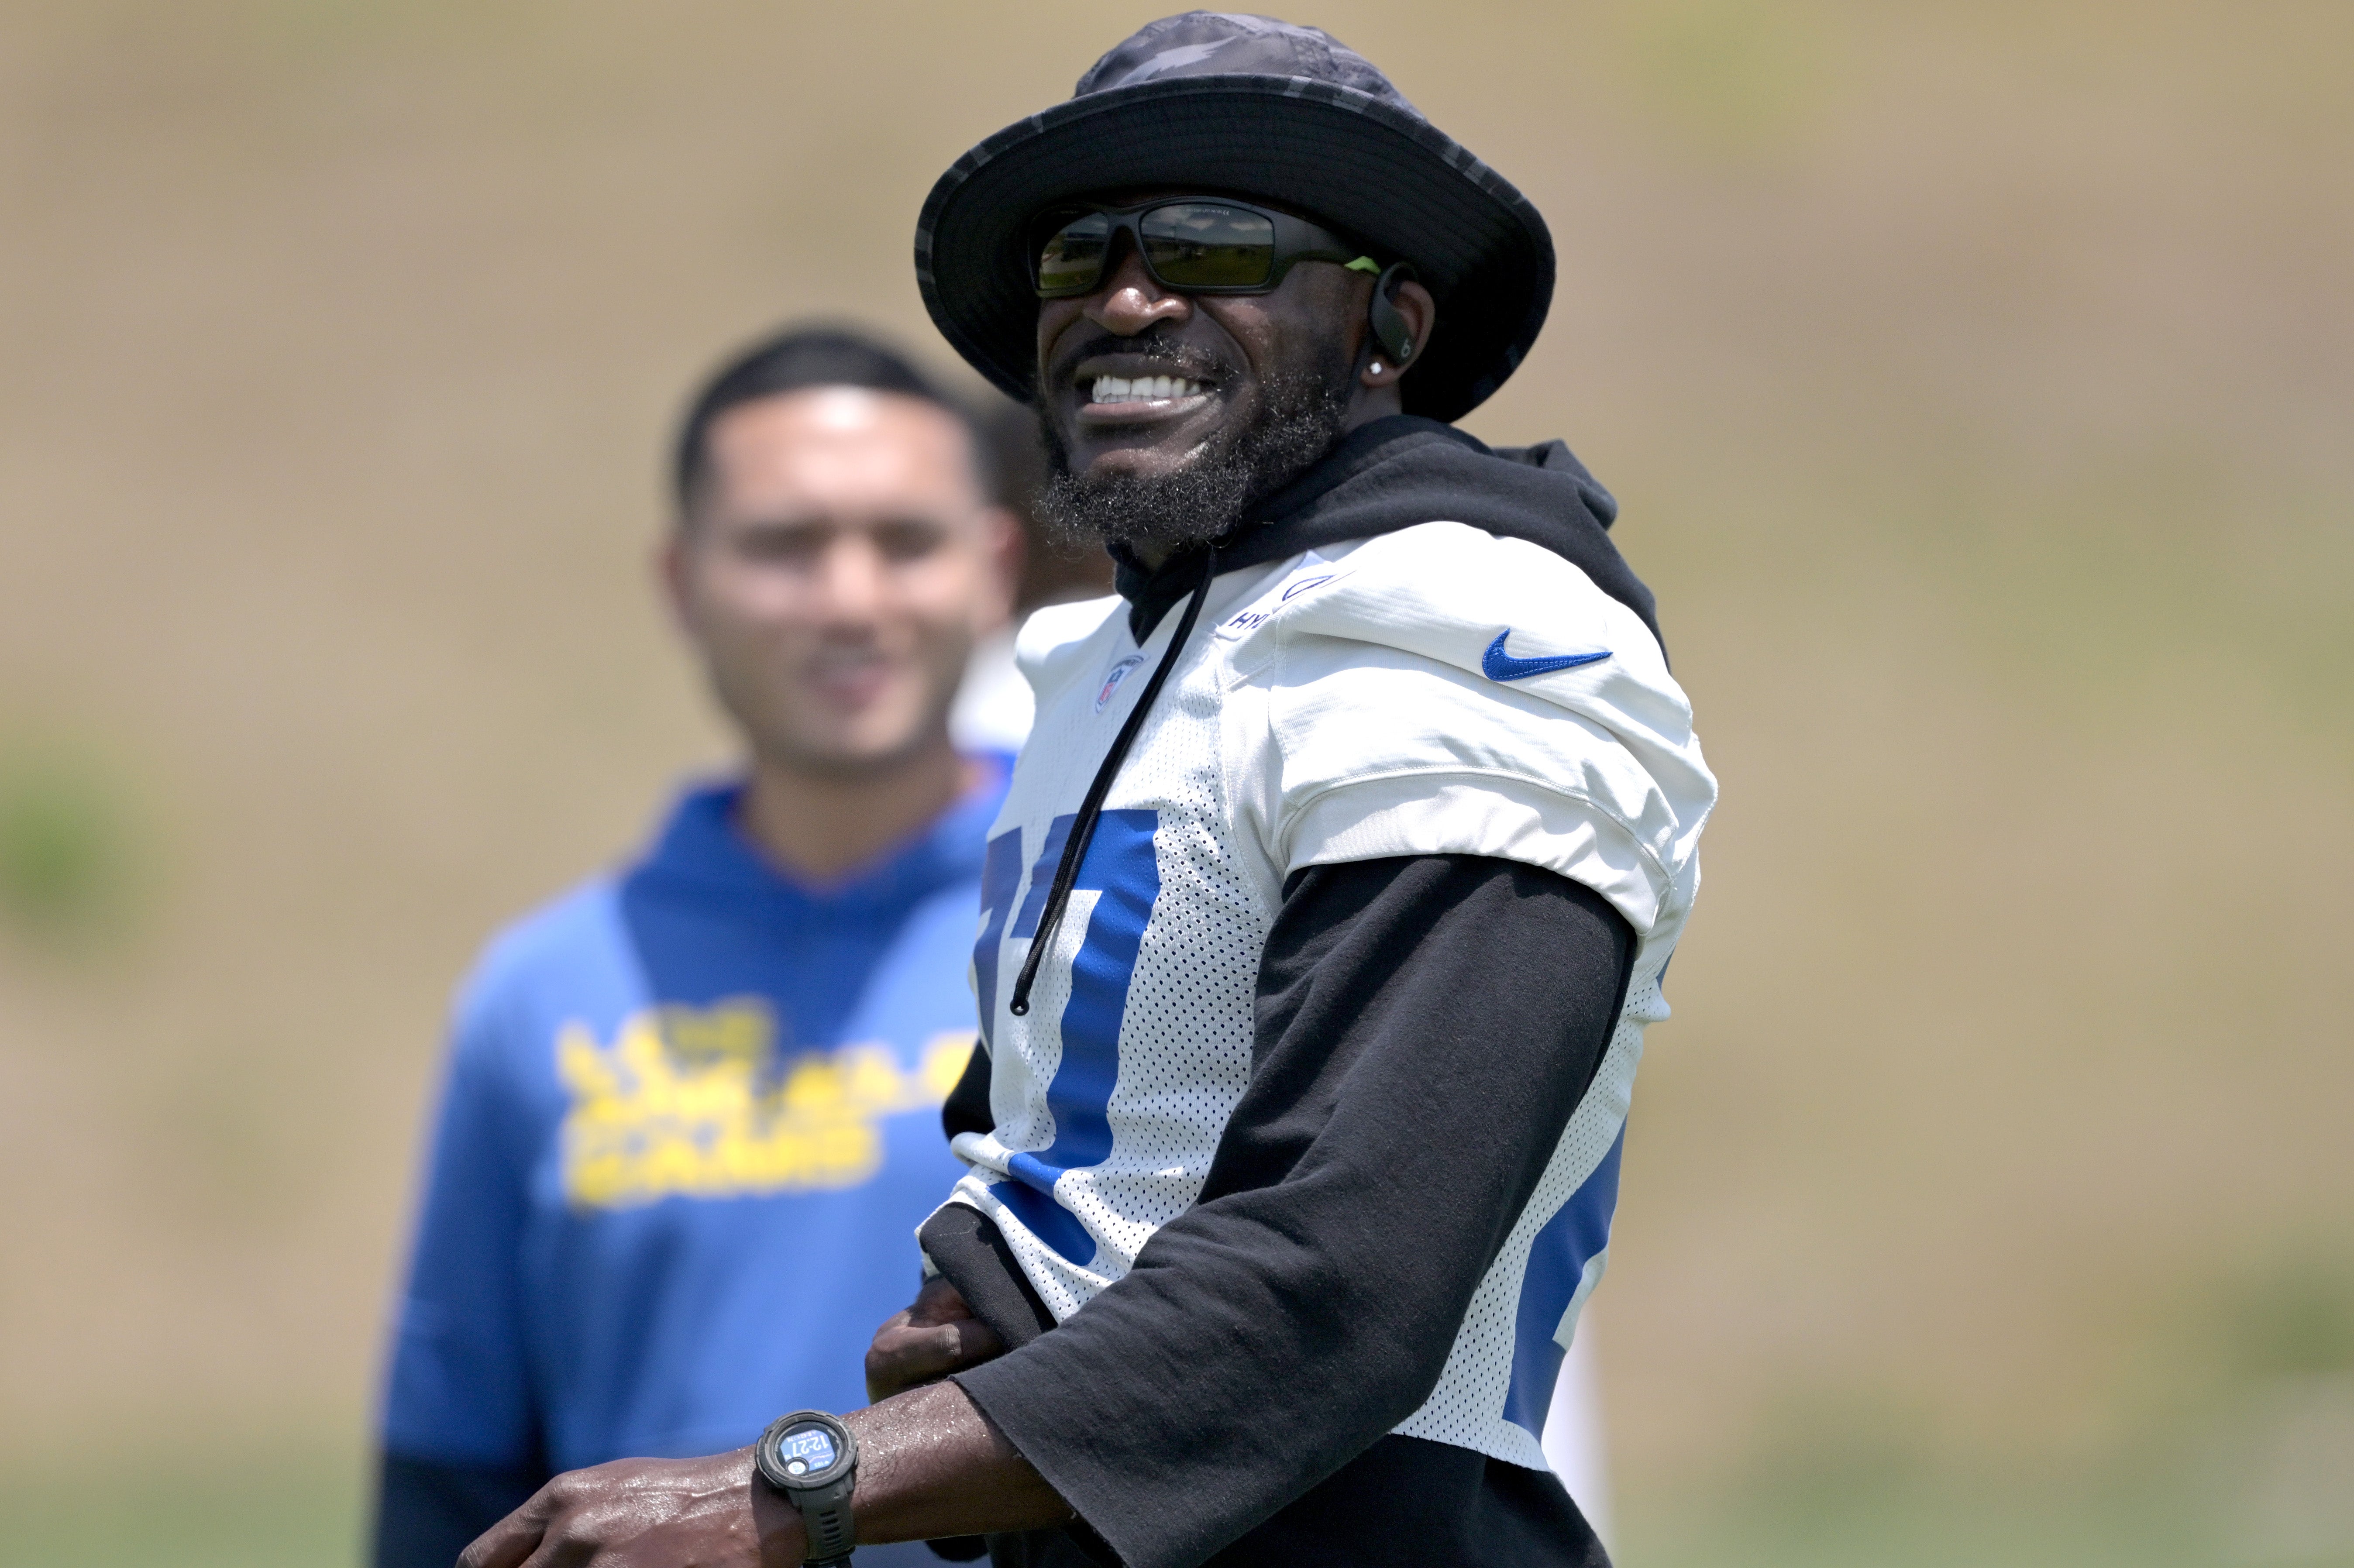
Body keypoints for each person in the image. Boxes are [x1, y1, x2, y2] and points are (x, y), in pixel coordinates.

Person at [461, 14, 1715, 1568]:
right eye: (1082, 259)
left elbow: (1340, 1284)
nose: (1127, 299)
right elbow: (1108, 1157)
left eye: (1214, 246)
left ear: (1389, 325)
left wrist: (792, 1486)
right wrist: (992, 1299)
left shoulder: (1463, 643)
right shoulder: (1128, 657)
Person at [374, 327, 1025, 1568]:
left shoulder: (1112, 926)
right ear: (683, 580)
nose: (851, 598)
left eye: (905, 540)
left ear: (995, 568)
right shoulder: (544, 992)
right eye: (786, 546)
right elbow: (451, 1472)